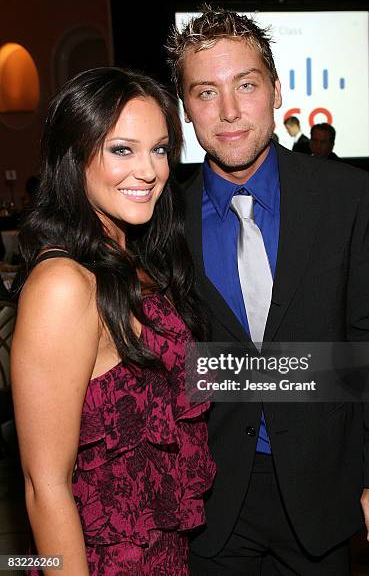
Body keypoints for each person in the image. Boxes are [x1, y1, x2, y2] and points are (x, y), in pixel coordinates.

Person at [166, 5, 369, 575]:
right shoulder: (163, 220)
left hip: (324, 487)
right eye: (206, 92)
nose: (229, 112)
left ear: (277, 90)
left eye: (246, 86)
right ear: (185, 109)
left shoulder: (345, 197)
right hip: (208, 500)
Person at [11, 67, 215, 575]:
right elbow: (44, 485)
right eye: (122, 149)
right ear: (74, 156)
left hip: (163, 553)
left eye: (161, 149)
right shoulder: (64, 285)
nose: (148, 171)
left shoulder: (136, 258)